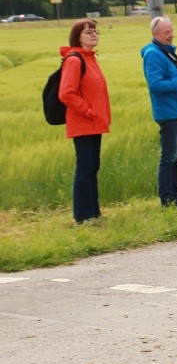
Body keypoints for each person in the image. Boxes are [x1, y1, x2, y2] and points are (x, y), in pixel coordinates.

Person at [141, 16, 177, 209]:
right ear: (154, 34)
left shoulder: (166, 52)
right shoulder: (153, 53)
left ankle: (176, 200)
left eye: (171, 31)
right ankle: (168, 201)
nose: (171, 35)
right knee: (169, 158)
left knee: (176, 158)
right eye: (166, 32)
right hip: (169, 114)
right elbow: (155, 85)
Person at [59, 19, 111, 224]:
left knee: (92, 166)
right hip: (84, 123)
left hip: (93, 122)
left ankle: (94, 213)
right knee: (86, 167)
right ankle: (82, 216)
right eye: (88, 32)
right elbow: (66, 94)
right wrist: (88, 111)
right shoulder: (74, 60)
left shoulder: (90, 58)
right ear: (77, 36)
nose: (94, 34)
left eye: (95, 31)